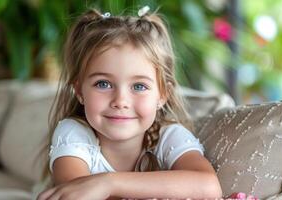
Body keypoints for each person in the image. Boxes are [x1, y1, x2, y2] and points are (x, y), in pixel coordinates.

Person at [37, 6, 222, 200]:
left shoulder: (167, 136)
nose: (120, 101)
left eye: (139, 86)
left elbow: (208, 187)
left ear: (163, 95)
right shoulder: (73, 133)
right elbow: (76, 195)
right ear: (79, 91)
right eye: (103, 83)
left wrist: (108, 183)